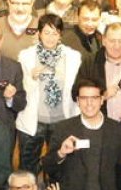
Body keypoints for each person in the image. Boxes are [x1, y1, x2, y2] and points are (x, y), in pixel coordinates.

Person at [16, 13, 82, 173]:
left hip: (62, 120)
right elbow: (21, 90)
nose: (50, 37)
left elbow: (75, 89)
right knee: (28, 167)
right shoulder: (26, 56)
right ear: (39, 34)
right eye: (46, 32)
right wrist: (32, 77)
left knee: (58, 167)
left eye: (55, 33)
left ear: (60, 35)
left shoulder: (73, 56)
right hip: (33, 120)